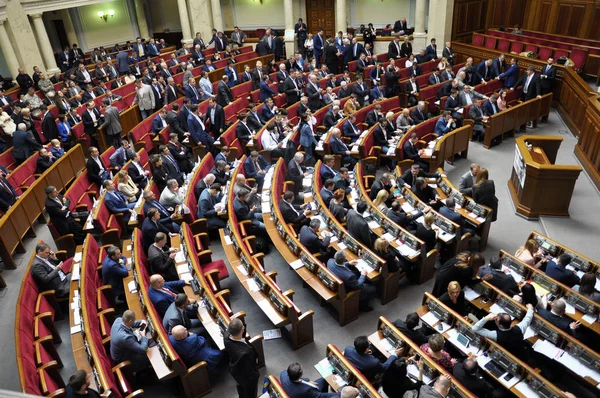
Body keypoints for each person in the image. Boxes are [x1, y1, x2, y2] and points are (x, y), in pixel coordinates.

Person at [224, 318, 260, 398]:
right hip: (247, 377)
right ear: (242, 329)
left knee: (241, 389)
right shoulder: (246, 353)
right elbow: (249, 371)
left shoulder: (226, 336)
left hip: (236, 370)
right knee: (250, 393)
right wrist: (256, 375)